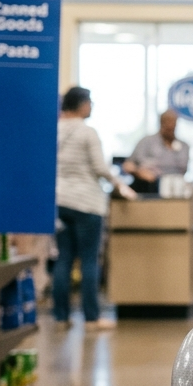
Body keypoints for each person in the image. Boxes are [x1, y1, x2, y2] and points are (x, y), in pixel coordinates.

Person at [54, 87, 135, 330]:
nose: (91, 107)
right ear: (81, 104)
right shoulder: (87, 132)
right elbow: (100, 167)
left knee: (63, 259)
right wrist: (120, 185)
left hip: (59, 201)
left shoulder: (53, 130)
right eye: (89, 102)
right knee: (89, 260)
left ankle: (61, 317)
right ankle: (91, 318)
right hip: (87, 202)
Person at [123, 110, 189, 193]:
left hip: (175, 187)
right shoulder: (146, 142)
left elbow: (184, 170)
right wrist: (138, 172)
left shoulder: (183, 146)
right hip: (148, 186)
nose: (170, 126)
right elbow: (127, 165)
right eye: (167, 122)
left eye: (173, 123)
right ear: (161, 123)